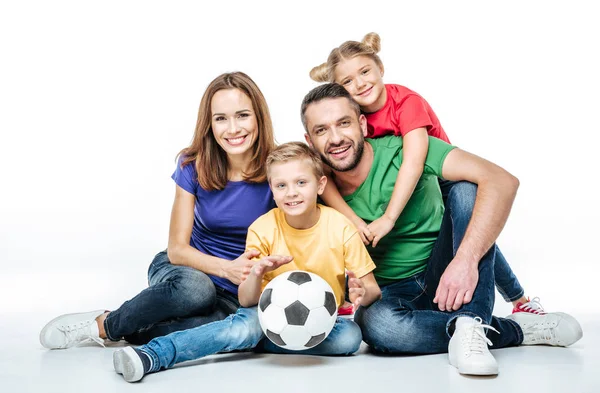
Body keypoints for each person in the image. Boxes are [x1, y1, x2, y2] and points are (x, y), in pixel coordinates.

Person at [300, 83, 582, 376]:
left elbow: (502, 181)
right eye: (321, 130)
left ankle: (472, 321)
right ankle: (509, 329)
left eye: (343, 123)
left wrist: (465, 260)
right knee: (377, 328)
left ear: (362, 124)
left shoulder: (404, 152)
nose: (335, 138)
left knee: (466, 189)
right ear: (309, 141)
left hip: (445, 269)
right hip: (389, 293)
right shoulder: (311, 187)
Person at [39, 72, 277, 349]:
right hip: (185, 271)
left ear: (259, 117)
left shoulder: (281, 169)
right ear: (209, 124)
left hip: (239, 291)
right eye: (221, 118)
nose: (233, 128)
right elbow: (177, 249)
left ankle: (135, 330)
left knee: (210, 329)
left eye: (243, 115)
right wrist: (228, 269)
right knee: (198, 291)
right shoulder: (193, 166)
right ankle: (103, 325)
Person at [112, 142, 381, 382]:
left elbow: (371, 290)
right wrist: (256, 273)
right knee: (241, 327)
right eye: (281, 185)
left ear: (320, 185)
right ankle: (154, 354)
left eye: (301, 183)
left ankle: (251, 342)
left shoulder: (340, 226)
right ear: (271, 190)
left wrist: (358, 292)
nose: (292, 193)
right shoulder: (262, 228)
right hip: (265, 315)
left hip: (320, 322)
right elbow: (246, 300)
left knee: (349, 338)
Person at [310, 32, 537, 314]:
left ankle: (517, 300)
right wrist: (354, 220)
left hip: (440, 179)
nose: (360, 83)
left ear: (380, 68)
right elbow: (326, 175)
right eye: (347, 81)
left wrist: (389, 218)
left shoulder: (406, 102)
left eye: (365, 71)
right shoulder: (351, 121)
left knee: (472, 231)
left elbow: (413, 162)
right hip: (407, 187)